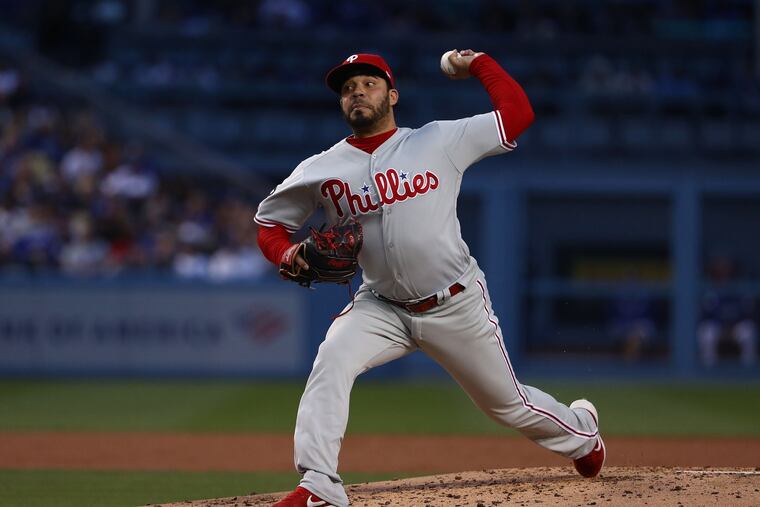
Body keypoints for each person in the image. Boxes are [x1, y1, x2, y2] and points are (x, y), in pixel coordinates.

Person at [255, 50, 605, 507]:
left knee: (507, 405)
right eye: (347, 88)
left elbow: (518, 114)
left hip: (455, 301)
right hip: (380, 305)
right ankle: (319, 484)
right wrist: (288, 254)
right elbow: (269, 224)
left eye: (368, 83)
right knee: (332, 359)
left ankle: (582, 432)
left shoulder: (439, 140)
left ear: (392, 95)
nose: (357, 91)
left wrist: (479, 63)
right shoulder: (320, 168)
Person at [698, 256, 757, 368]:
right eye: (720, 268)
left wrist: (732, 327)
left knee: (748, 332)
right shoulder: (711, 290)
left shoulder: (740, 288)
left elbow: (749, 313)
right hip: (718, 327)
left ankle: (748, 369)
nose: (724, 271)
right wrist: (723, 328)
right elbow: (706, 315)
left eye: (726, 268)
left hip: (736, 327)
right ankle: (708, 369)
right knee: (707, 333)